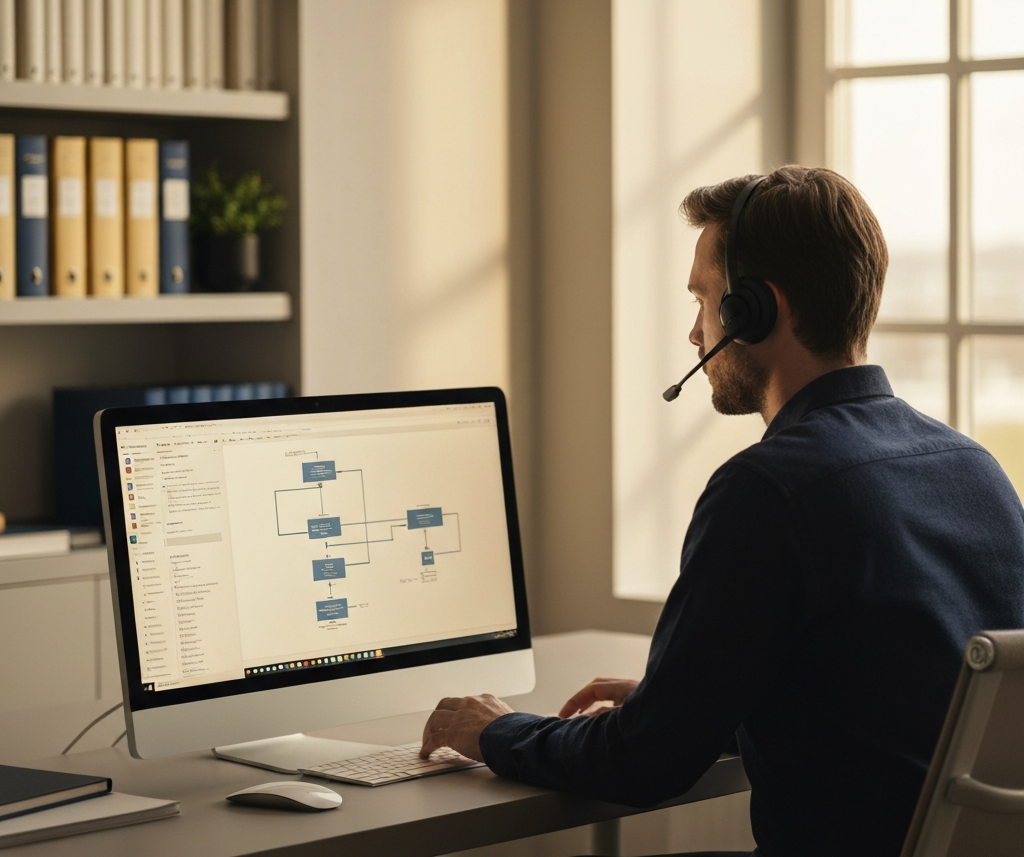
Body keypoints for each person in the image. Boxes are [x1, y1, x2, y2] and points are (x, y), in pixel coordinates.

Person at [420, 166, 1024, 857]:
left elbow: (641, 764)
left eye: (704, 302)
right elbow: (900, 712)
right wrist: (693, 702)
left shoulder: (768, 490)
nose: (693, 334)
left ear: (752, 313)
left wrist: (493, 729)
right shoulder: (976, 469)